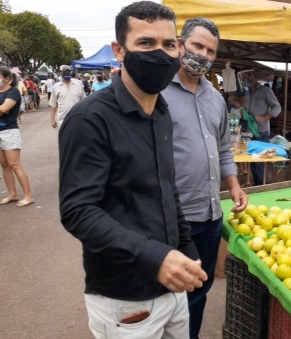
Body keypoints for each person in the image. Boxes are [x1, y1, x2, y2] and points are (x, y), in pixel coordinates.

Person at [59, 2, 209, 339]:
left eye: (169, 44)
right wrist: (155, 257)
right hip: (125, 299)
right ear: (119, 50)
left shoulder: (161, 112)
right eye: (146, 43)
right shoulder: (89, 119)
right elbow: (78, 211)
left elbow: (166, 189)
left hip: (172, 288)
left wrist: (186, 251)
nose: (160, 53)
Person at [161, 17, 248, 339]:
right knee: (164, 296)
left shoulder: (215, 97)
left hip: (210, 216)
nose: (203, 55)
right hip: (171, 217)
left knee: (198, 292)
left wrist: (234, 185)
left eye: (210, 50)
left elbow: (224, 149)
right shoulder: (157, 91)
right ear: (180, 44)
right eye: (197, 45)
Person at [0, 67, 34, 207]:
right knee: (4, 165)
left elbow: (3, 109)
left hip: (9, 131)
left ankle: (28, 196)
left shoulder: (13, 91)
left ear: (7, 79)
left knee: (14, 164)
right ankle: (12, 194)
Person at [240, 69, 281, 185]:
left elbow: (277, 107)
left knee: (260, 163)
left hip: (261, 132)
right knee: (253, 161)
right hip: (250, 133)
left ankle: (263, 187)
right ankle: (257, 186)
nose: (244, 80)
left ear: (252, 76)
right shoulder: (248, 93)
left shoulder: (265, 91)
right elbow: (247, 110)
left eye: (245, 77)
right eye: (242, 78)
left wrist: (265, 117)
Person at [49, 65, 85, 129]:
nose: (67, 74)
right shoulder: (56, 87)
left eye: (69, 72)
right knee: (64, 138)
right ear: (60, 73)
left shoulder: (78, 85)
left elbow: (84, 102)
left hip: (77, 118)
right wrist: (52, 120)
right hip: (62, 119)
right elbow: (53, 104)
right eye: (65, 72)